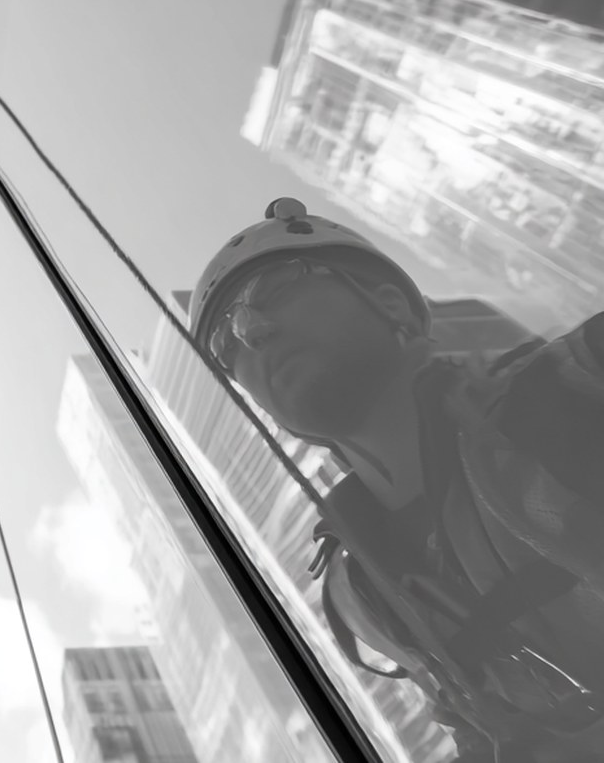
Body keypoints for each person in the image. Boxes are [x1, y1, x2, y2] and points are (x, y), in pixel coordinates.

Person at [189, 197, 604, 762]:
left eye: (275, 289)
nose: (252, 332)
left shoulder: (578, 385)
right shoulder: (366, 589)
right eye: (224, 345)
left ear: (391, 303)